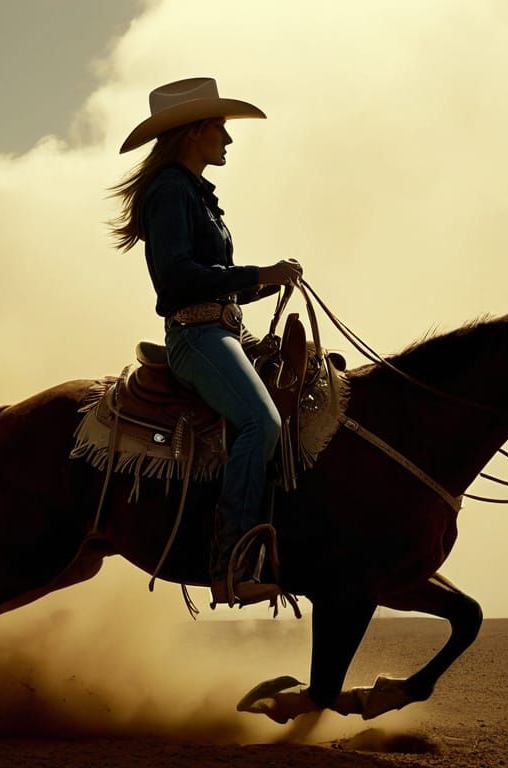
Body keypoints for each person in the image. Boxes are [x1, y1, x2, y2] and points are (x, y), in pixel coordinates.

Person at [107, 77, 303, 606]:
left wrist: (264, 283)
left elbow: (211, 279)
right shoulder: (171, 190)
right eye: (220, 127)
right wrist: (257, 273)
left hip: (219, 328)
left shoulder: (191, 192)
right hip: (196, 337)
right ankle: (232, 563)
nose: (227, 139)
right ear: (195, 131)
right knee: (261, 422)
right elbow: (177, 277)